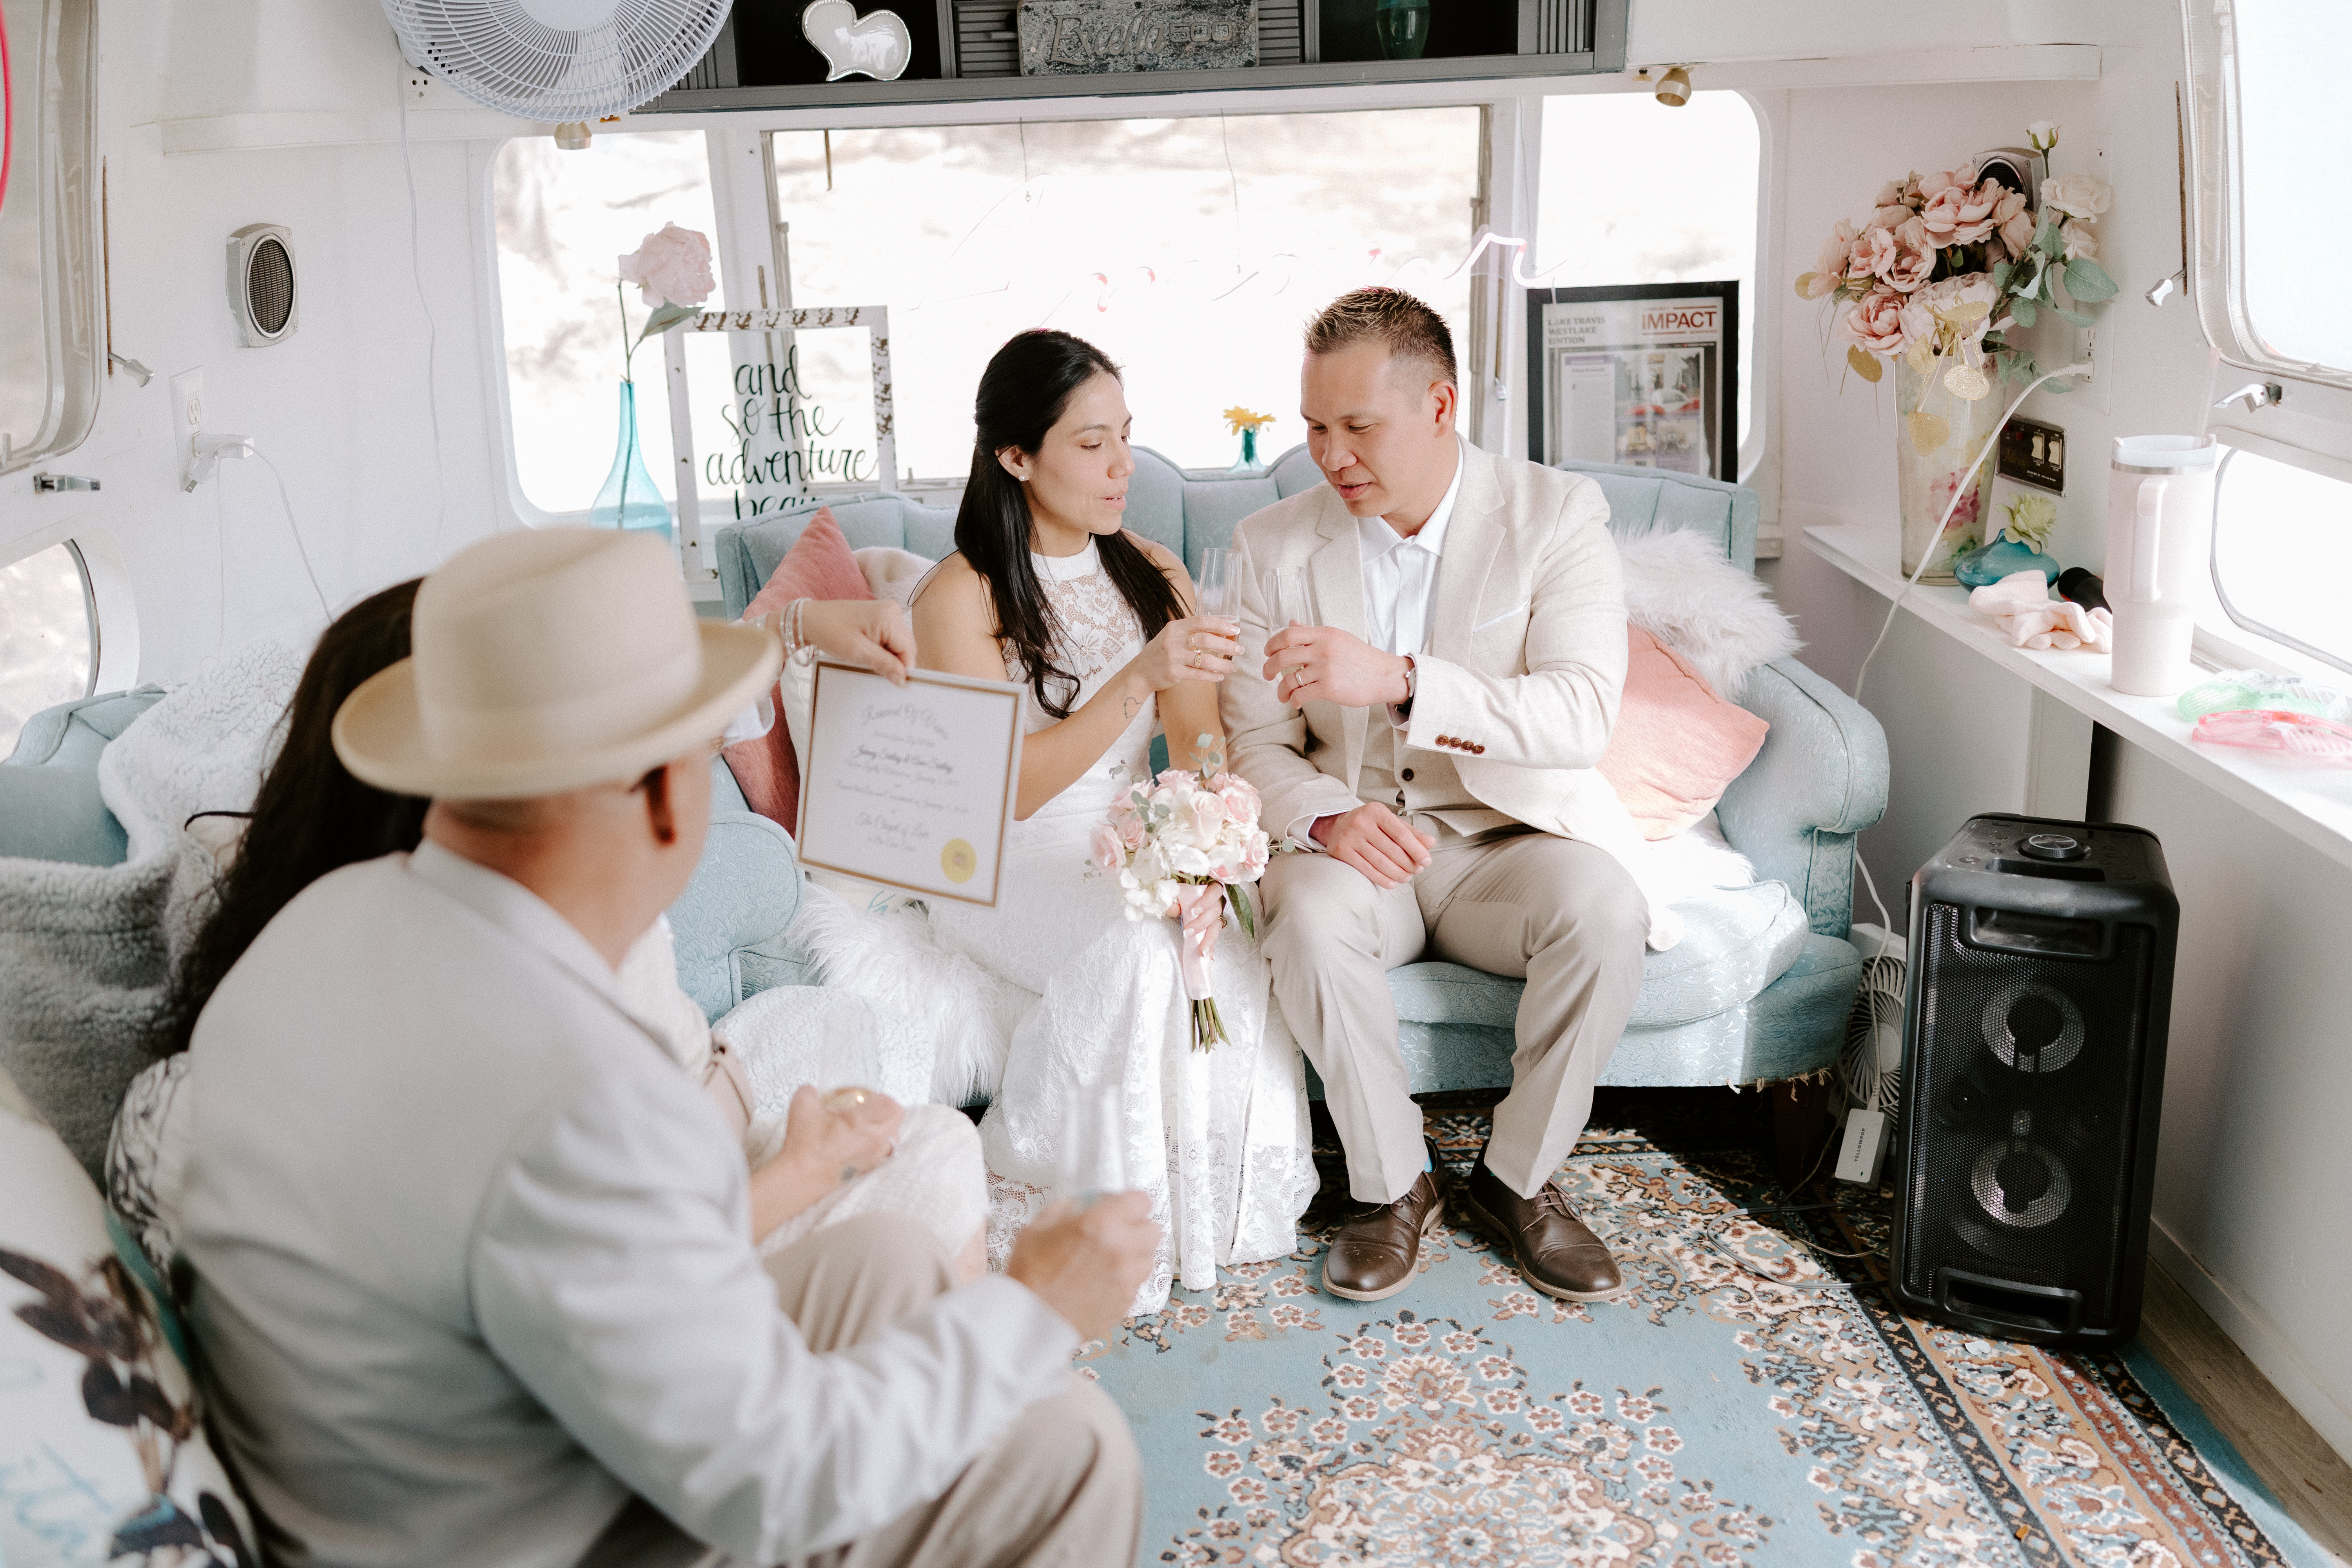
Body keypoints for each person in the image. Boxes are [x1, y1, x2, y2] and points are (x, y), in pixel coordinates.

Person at [176, 528, 1155, 1566]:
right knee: (1074, 1445)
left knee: (888, 1259)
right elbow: (774, 1482)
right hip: (527, 1534)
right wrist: (1033, 1305)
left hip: (418, 1465)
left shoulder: (318, 920)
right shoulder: (580, 1095)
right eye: (707, 742)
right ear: (657, 792)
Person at [113, 580, 985, 1284]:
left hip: (689, 1175)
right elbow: (609, 1281)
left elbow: (686, 718)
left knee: (932, 1139)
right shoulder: (495, 1017)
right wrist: (805, 1170)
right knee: (928, 1192)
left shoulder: (335, 918)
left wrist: (797, 626)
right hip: (673, 1266)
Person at [1221, 287, 1673, 1308]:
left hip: (1505, 845)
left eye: (1358, 426)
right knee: (1304, 911)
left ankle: (1516, 1180)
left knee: (1608, 910)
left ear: (1439, 406)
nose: (1331, 455)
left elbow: (1579, 715)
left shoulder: (1557, 515)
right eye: (1315, 428)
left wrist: (1399, 678)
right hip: (1356, 852)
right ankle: (1393, 1186)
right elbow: (1256, 745)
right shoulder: (1271, 547)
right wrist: (1327, 817)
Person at [912, 329, 1316, 1315]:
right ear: (1016, 455)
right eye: (1092, 444)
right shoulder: (960, 593)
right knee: (1140, 950)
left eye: (1126, 437)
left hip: (1131, 843)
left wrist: (1208, 852)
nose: (1122, 465)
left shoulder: (1154, 570)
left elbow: (1201, 746)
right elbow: (1006, 792)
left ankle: (1213, 1212)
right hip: (1004, 859)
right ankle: (1088, 1212)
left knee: (1218, 936)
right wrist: (1138, 673)